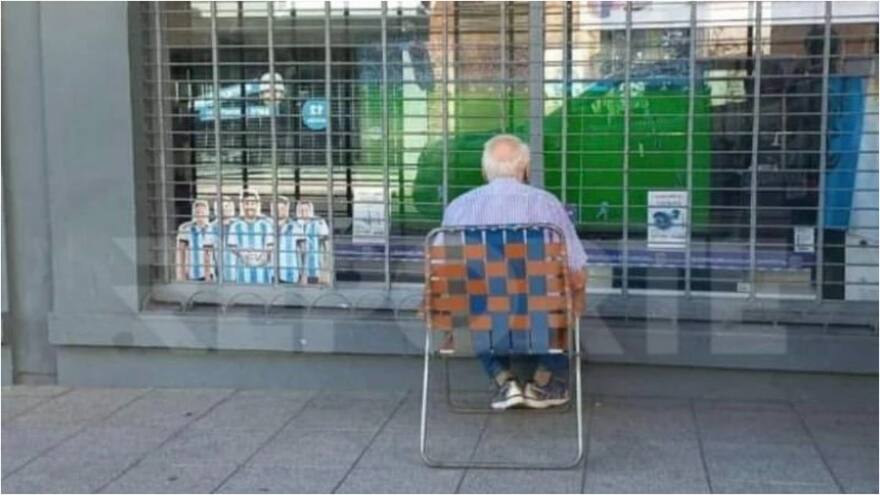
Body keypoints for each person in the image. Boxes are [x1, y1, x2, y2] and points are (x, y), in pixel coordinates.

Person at [441, 134, 587, 410]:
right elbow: (577, 273)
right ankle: (543, 381)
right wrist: (577, 299)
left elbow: (445, 275)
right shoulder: (547, 205)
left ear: (485, 170)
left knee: (468, 298)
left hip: (481, 317)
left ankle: (502, 379)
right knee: (568, 296)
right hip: (540, 317)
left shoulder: (458, 208)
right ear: (526, 169)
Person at [227, 191, 274, 284]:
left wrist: (262, 258)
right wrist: (243, 255)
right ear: (242, 205)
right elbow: (232, 246)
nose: (250, 206)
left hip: (262, 273)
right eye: (247, 203)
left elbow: (270, 246)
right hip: (243, 273)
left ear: (257, 205)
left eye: (252, 203)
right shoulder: (235, 226)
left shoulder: (266, 225)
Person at [176, 199, 216, 281]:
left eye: (203, 212)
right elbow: (181, 252)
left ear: (207, 213)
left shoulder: (212, 229)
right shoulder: (186, 229)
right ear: (194, 214)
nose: (200, 215)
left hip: (209, 275)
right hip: (191, 275)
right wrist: (182, 274)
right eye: (198, 212)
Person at [274, 196, 302, 284]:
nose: (279, 211)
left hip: (290, 274)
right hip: (271, 275)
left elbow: (303, 251)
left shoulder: (295, 226)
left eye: (282, 208)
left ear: (287, 209)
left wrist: (303, 273)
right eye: (277, 208)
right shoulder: (267, 226)